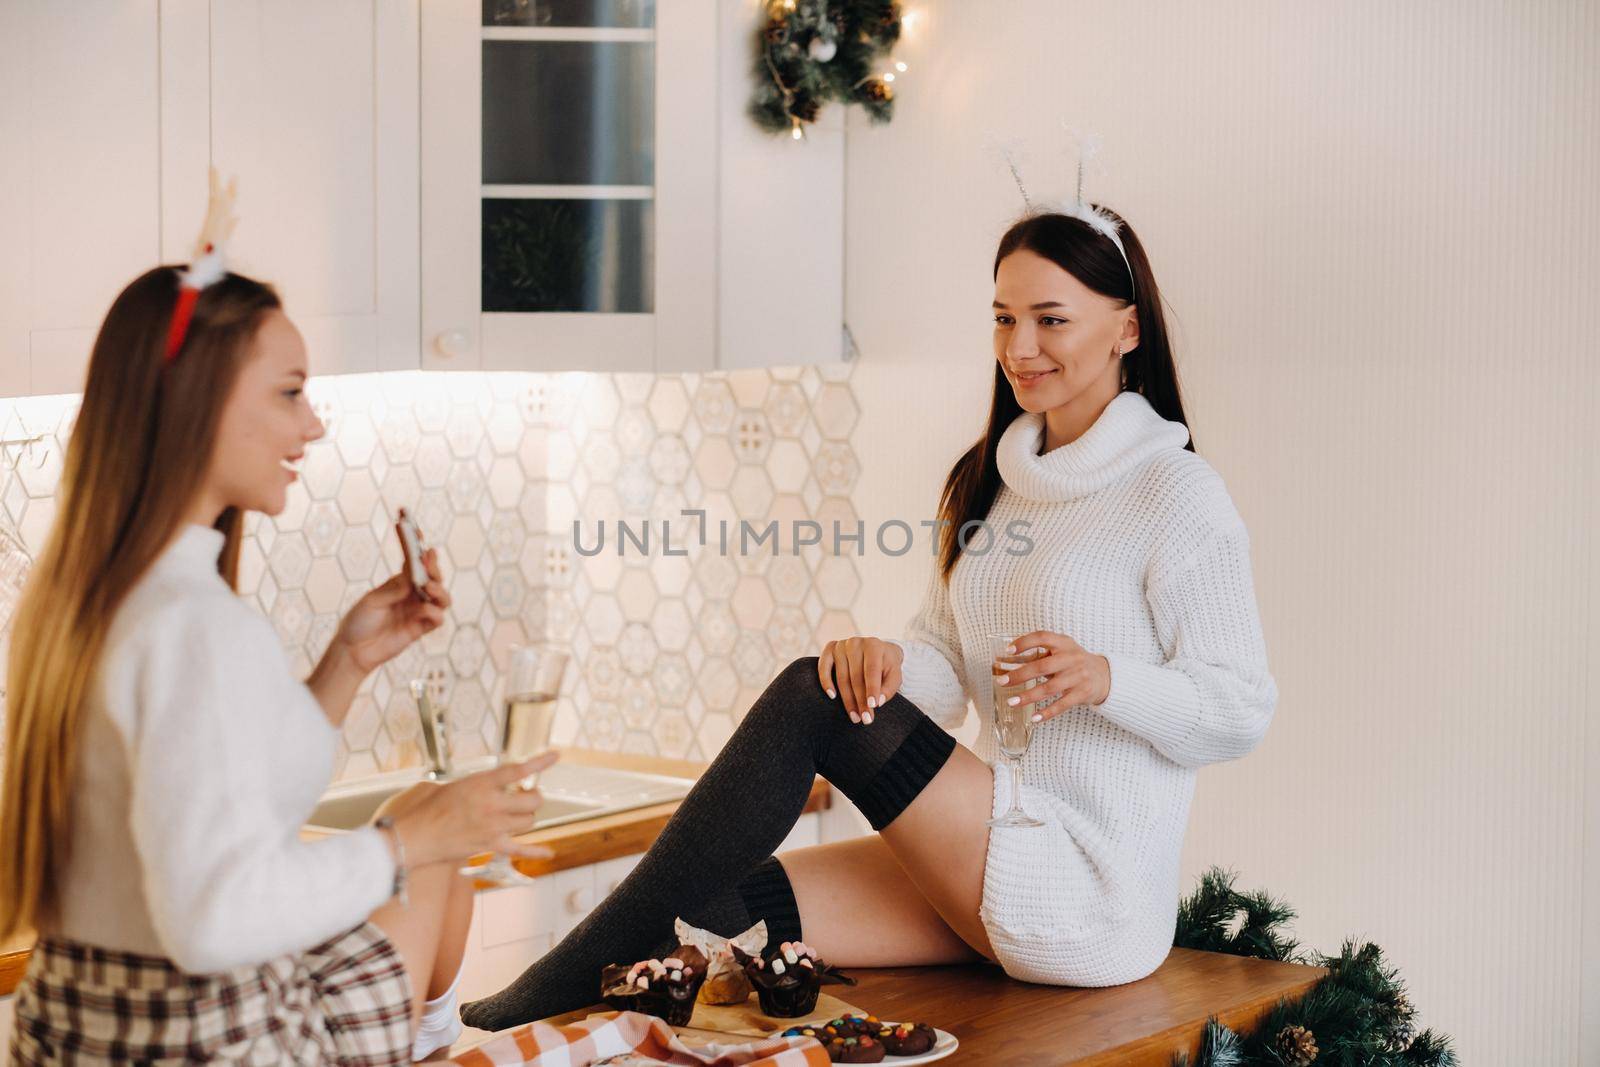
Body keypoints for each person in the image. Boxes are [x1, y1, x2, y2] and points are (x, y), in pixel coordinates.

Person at [459, 203, 1279, 1031]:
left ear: (1127, 328)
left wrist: (1108, 679)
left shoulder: (1175, 494)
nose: (1018, 348)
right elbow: (946, 666)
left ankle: (541, 987)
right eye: (1003, 318)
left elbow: (1241, 706)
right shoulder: (989, 481)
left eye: (1050, 319)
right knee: (714, 905)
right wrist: (883, 661)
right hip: (997, 862)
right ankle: (551, 1014)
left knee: (807, 698)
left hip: (1090, 893)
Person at [0, 180, 552, 1064]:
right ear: (201, 402)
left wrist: (346, 663)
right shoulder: (195, 624)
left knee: (420, 827)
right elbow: (214, 917)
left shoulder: (84, 600)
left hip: (81, 1028)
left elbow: (230, 802)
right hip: (221, 1042)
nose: (316, 423)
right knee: (426, 842)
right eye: (291, 392)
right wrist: (413, 841)